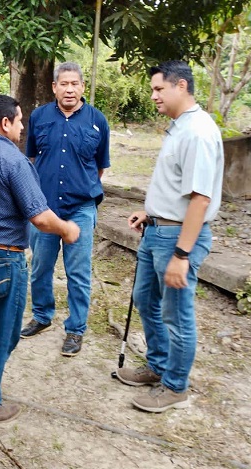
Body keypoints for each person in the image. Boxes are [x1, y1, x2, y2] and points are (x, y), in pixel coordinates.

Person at [0, 94, 80, 425]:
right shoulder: (15, 161)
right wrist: (67, 229)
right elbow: (40, 218)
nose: (22, 128)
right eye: (19, 121)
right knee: (0, 333)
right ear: (5, 123)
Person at [116, 60, 223, 413]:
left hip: (176, 239)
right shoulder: (179, 127)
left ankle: (175, 386)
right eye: (152, 90)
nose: (153, 96)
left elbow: (201, 198)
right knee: (145, 299)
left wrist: (181, 254)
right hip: (157, 229)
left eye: (159, 89)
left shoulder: (198, 132)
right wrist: (151, 211)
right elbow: (179, 186)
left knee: (176, 315)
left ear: (181, 86)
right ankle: (157, 367)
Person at [20, 62, 110, 357]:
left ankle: (75, 329)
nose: (69, 89)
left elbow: (99, 168)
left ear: (82, 87)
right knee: (41, 267)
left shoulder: (98, 120)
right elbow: (32, 157)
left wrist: (79, 186)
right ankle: (42, 316)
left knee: (78, 272)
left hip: (81, 209)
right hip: (44, 209)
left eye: (75, 84)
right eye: (64, 84)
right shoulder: (40, 117)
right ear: (55, 87)